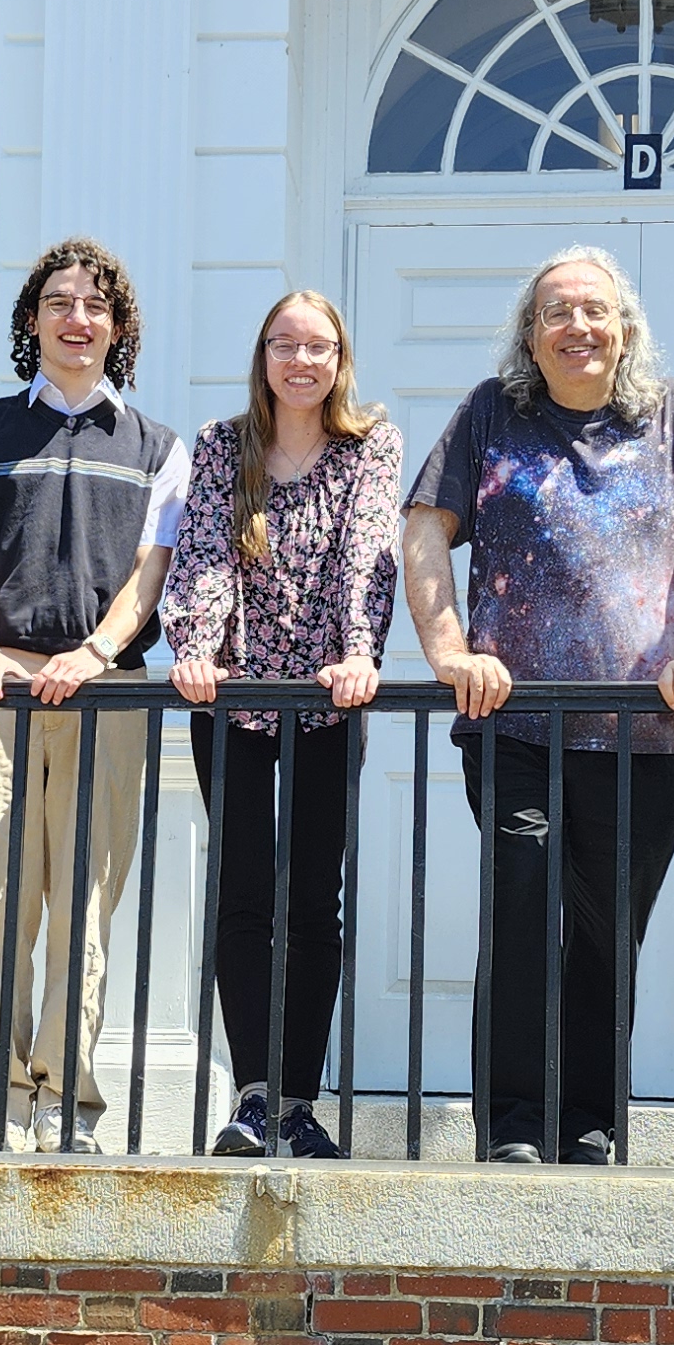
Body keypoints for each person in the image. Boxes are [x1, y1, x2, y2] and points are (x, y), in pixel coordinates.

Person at [403, 247, 674, 1165]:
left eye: (594, 310)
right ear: (530, 335)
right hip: (515, 725)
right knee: (521, 905)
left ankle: (589, 1123)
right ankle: (513, 1123)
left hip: (642, 733)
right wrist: (449, 652)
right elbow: (425, 528)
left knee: (607, 932)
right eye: (556, 312)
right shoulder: (491, 412)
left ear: (624, 328)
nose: (577, 327)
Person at [0, 237, 190, 1156]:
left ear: (118, 328)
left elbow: (153, 573)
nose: (78, 318)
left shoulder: (157, 447)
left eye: (96, 305)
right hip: (1, 696)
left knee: (85, 909)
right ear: (33, 319)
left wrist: (98, 654)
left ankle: (67, 1105)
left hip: (107, 697)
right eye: (61, 301)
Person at [162, 289, 403, 1159]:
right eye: (284, 345)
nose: (301, 361)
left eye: (318, 347)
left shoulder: (369, 444)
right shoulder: (223, 445)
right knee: (243, 896)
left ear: (341, 360)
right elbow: (204, 552)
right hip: (234, 699)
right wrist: (196, 648)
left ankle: (298, 1103)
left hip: (328, 702)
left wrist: (358, 652)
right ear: (262, 356)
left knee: (310, 902)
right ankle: (254, 1096)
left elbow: (368, 553)